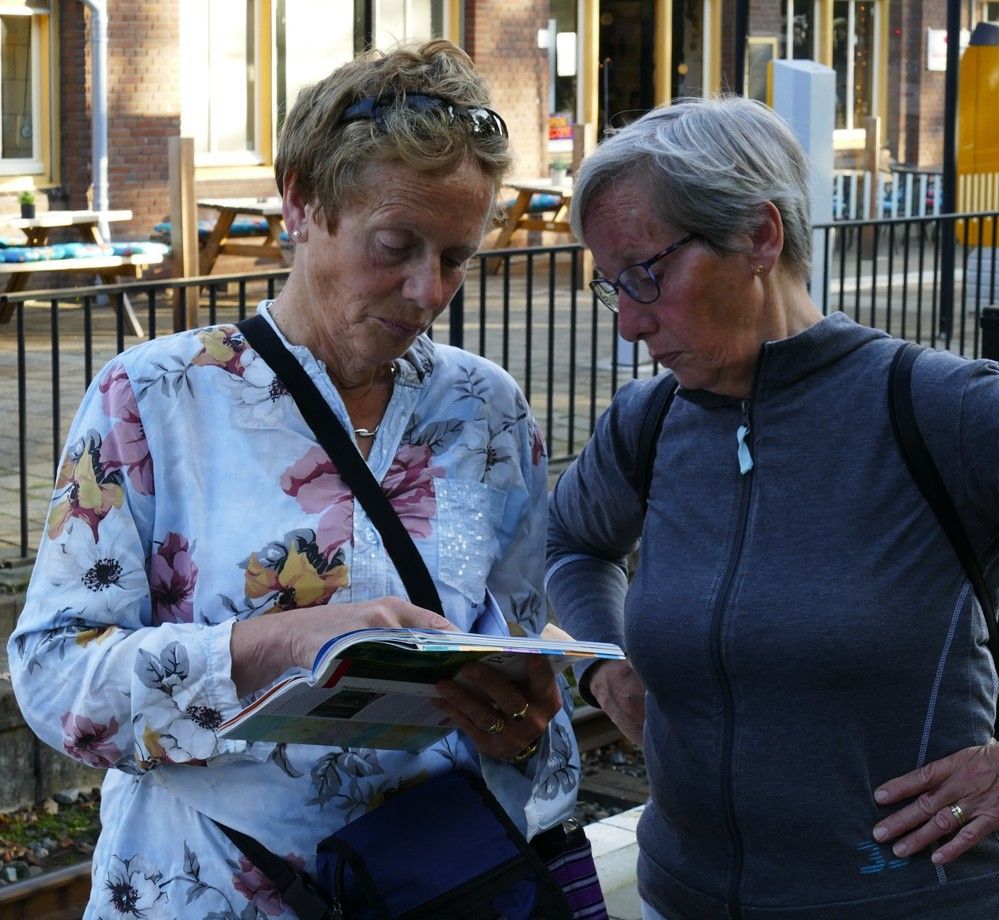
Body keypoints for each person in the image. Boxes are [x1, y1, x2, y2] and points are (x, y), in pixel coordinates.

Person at [546, 96, 999, 920]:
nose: (631, 324)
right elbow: (572, 541)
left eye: (647, 274)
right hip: (683, 898)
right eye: (613, 287)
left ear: (760, 237)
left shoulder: (938, 408)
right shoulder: (649, 422)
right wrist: (602, 659)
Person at [8, 40, 579, 918]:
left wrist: (527, 725)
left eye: (457, 257)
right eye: (396, 245)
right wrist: (276, 644)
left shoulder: (487, 411)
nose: (428, 291)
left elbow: (520, 655)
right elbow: (53, 680)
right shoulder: (154, 397)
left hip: (432, 890)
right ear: (301, 202)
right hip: (200, 891)